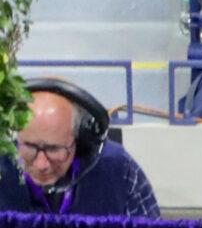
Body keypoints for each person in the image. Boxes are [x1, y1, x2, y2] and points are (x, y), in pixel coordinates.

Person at [0, 82, 159, 219]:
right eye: (29, 147)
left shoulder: (120, 169)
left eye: (54, 149)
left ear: (80, 140)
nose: (41, 164)